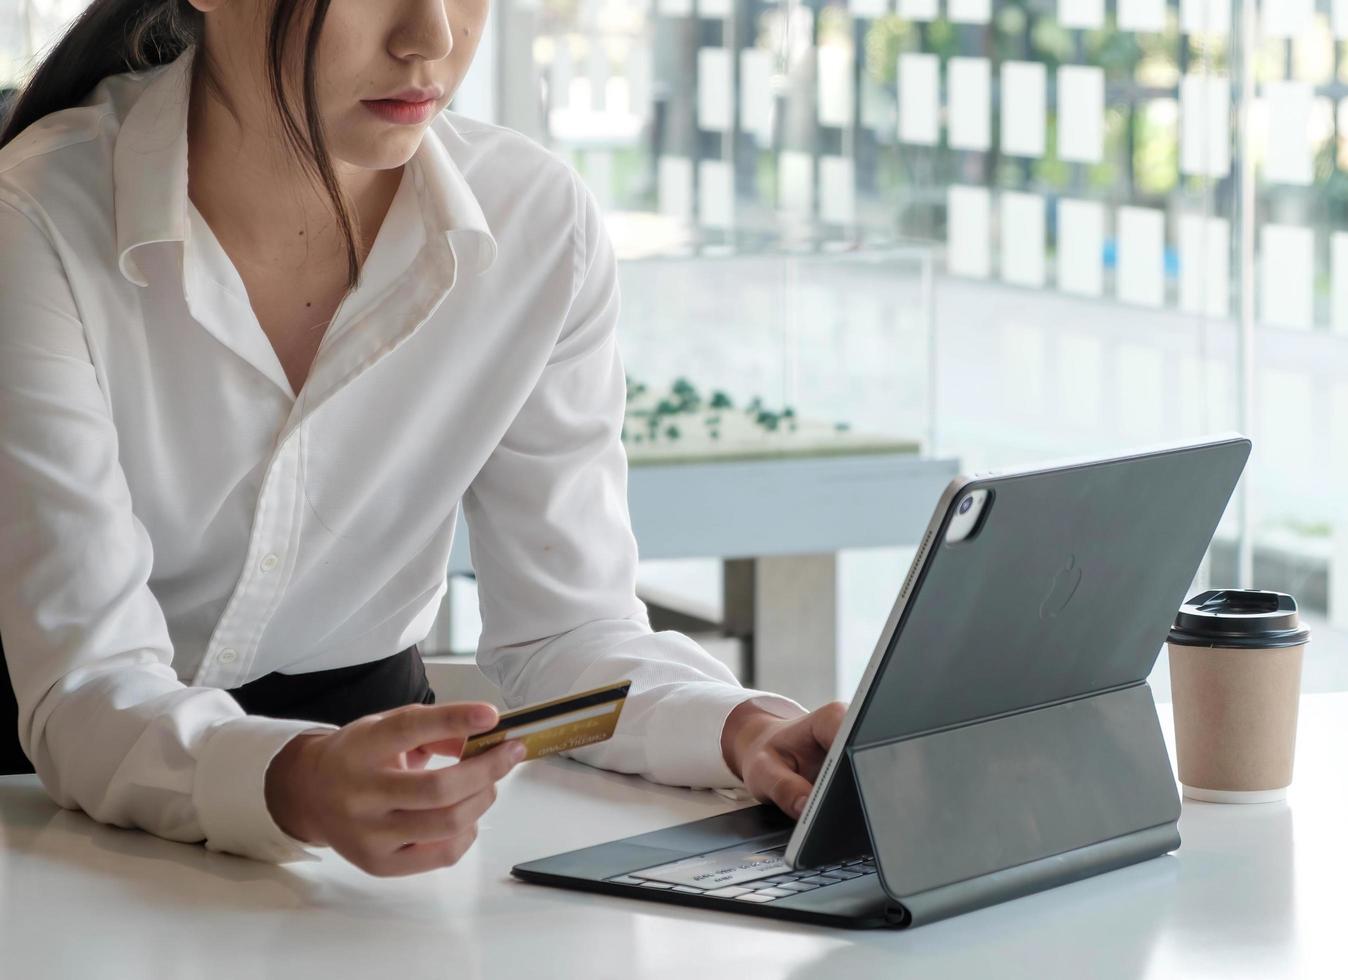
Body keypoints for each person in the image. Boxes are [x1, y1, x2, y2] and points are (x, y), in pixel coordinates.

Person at [0, 0, 846, 877]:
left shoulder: (534, 223)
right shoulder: (37, 218)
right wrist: (294, 780)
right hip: (43, 824)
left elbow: (565, 639)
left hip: (372, 822)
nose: (431, 39)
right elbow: (88, 685)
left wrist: (741, 726)